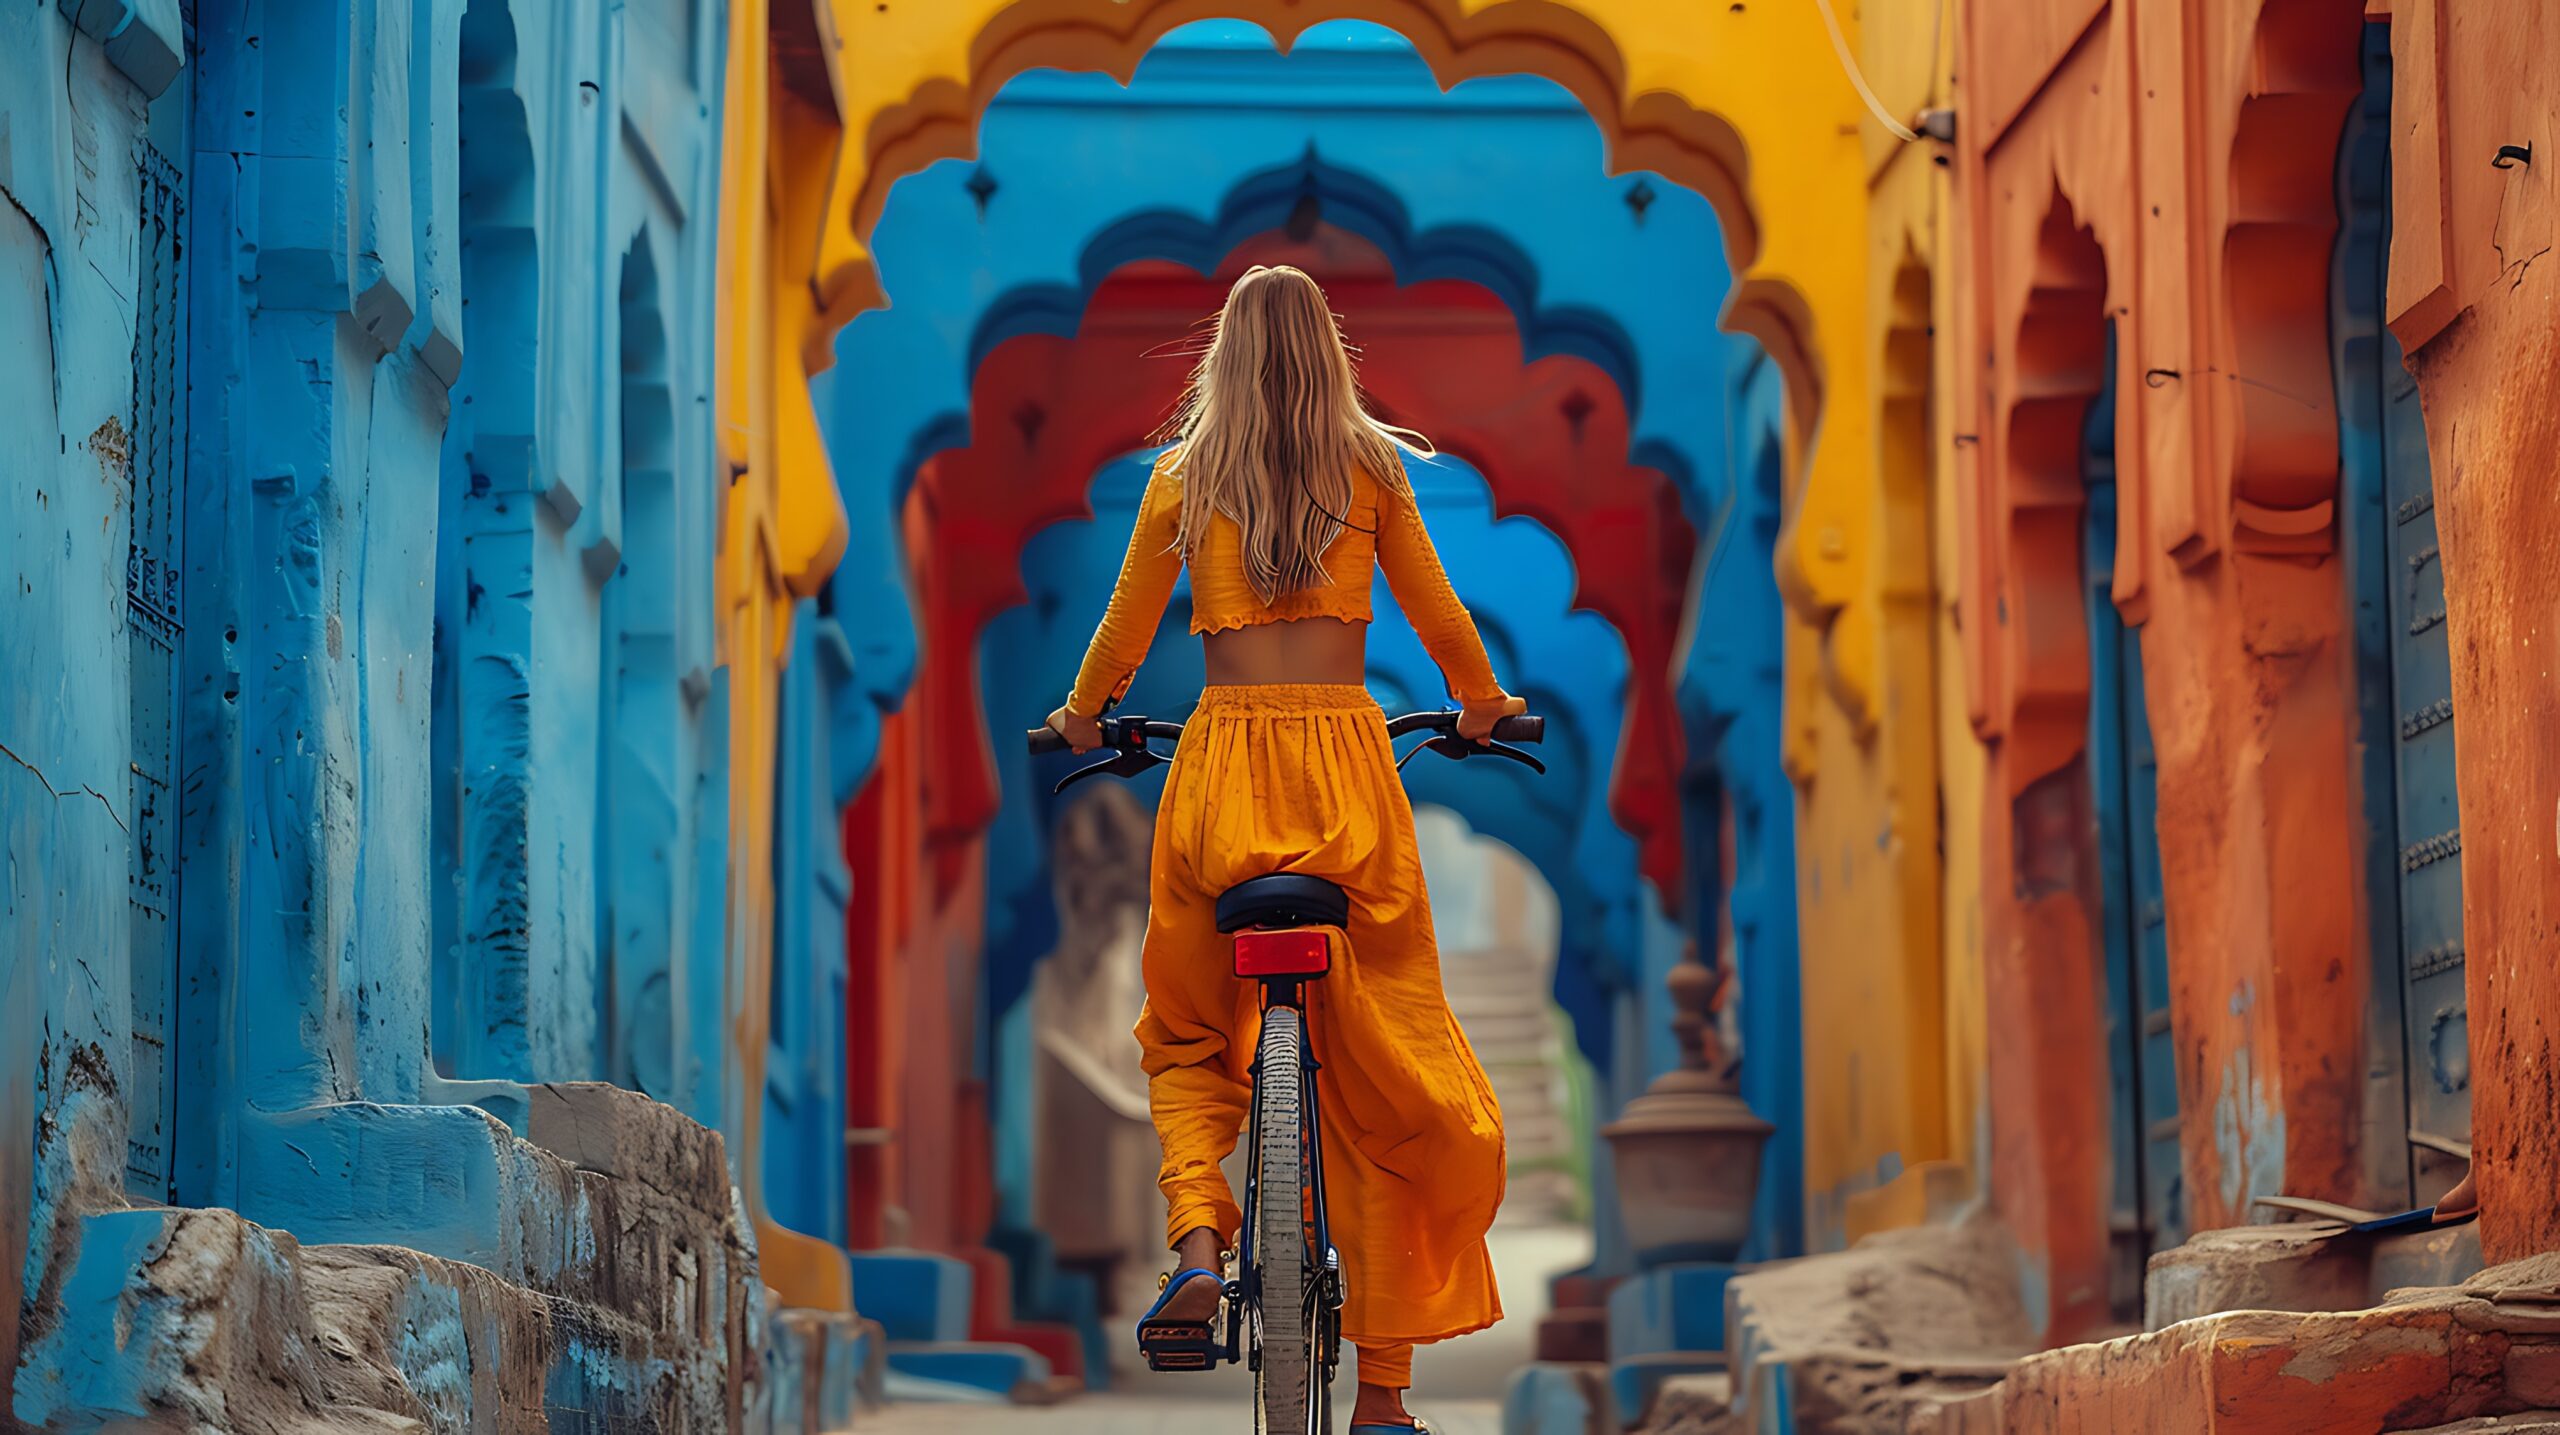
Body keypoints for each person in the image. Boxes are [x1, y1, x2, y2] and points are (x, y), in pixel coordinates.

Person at [1045, 263, 1525, 1432]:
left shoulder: (1181, 475)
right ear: (1328, 353)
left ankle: (1197, 1243)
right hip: (1347, 783)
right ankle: (1384, 1396)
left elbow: (1121, 630)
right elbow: (1440, 612)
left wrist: (1079, 716)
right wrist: (1482, 705)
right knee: (1384, 1067)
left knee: (1187, 1032)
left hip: (1218, 779)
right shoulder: (1372, 469)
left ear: (1223, 354)